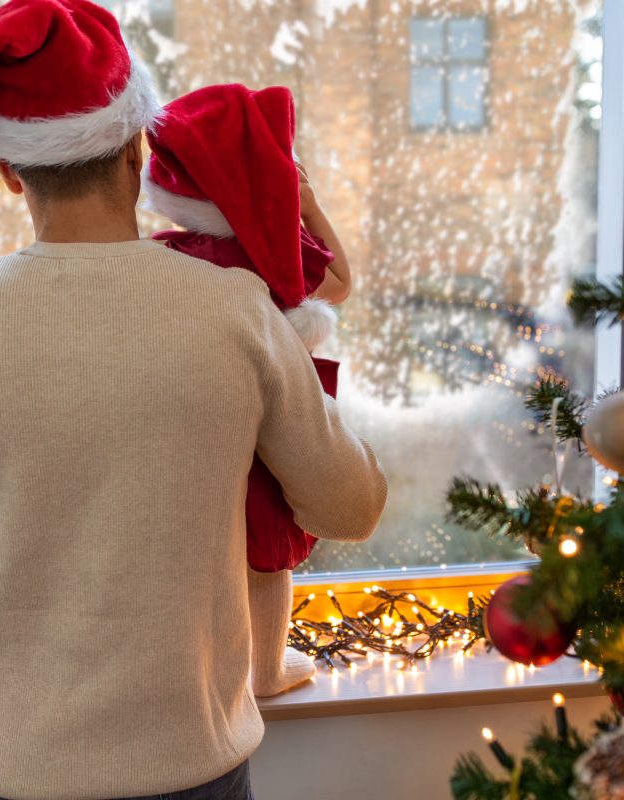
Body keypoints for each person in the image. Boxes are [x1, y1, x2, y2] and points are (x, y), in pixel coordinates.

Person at [0, 1, 388, 799]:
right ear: (137, 149)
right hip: (191, 769)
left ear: (6, 171)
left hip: (0, 773)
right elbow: (350, 506)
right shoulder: (232, 308)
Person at [141, 83, 353, 697]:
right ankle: (263, 672)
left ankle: (204, 666)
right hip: (266, 428)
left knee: (200, 548)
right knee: (267, 554)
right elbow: (339, 284)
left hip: (190, 423)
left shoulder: (168, 252)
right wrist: (306, 208)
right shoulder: (272, 251)